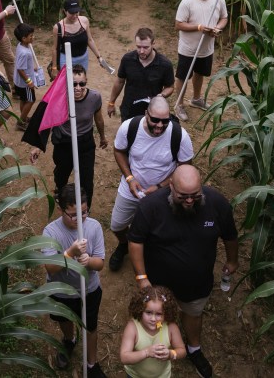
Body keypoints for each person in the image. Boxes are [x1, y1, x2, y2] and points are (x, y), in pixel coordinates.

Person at [128, 164, 239, 378]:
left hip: (197, 282)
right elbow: (135, 241)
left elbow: (230, 235)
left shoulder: (217, 203)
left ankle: (194, 348)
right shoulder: (150, 206)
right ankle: (157, 346)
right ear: (171, 187)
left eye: (195, 195)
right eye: (183, 196)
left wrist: (233, 260)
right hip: (158, 283)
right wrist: (142, 278)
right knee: (157, 316)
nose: (189, 201)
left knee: (193, 313)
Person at [109, 96, 193, 272]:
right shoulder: (130, 127)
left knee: (161, 230)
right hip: (131, 187)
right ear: (146, 114)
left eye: (165, 121)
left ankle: (150, 254)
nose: (160, 126)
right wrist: (130, 178)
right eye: (155, 120)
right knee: (117, 225)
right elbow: (119, 151)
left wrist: (161, 186)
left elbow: (185, 167)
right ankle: (124, 244)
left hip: (162, 193)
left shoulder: (179, 135)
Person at [42, 185, 107, 378]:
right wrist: (70, 254)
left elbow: (100, 263)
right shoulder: (50, 233)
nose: (80, 219)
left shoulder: (94, 227)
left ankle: (92, 363)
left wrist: (89, 261)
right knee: (64, 319)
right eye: (73, 215)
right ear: (60, 210)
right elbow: (50, 268)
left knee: (91, 326)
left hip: (89, 289)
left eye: (84, 212)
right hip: (61, 290)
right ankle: (69, 340)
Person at [30, 65, 108, 208]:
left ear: (86, 81)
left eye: (82, 84)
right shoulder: (59, 98)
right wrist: (38, 147)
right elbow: (48, 121)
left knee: (86, 180)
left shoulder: (94, 97)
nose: (78, 88)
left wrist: (102, 137)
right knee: (61, 175)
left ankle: (85, 210)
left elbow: (99, 119)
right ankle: (61, 195)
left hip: (85, 143)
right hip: (64, 143)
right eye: (73, 84)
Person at [172, 0, 228, 121]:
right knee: (183, 76)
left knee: (200, 73)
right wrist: (199, 27)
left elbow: (224, 18)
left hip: (206, 49)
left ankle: (196, 99)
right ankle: (179, 105)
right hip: (188, 49)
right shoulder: (187, 2)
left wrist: (217, 28)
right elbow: (178, 24)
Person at [107, 27, 174, 120]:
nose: (141, 51)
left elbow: (170, 87)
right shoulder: (127, 59)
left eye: (146, 47)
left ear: (153, 44)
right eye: (138, 47)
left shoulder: (165, 65)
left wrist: (161, 96)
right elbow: (120, 81)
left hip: (152, 112)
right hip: (129, 109)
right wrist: (111, 103)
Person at [120, 286, 185, 378]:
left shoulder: (171, 327)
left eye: (159, 314)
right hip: (135, 376)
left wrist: (171, 354)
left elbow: (182, 351)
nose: (153, 319)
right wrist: (146, 352)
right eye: (148, 312)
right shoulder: (133, 327)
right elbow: (124, 357)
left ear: (166, 313)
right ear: (140, 310)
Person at [50, 0, 104, 76]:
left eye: (77, 12)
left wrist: (99, 57)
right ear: (65, 11)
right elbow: (55, 49)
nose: (75, 15)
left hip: (83, 59)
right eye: (71, 13)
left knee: (80, 83)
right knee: (67, 85)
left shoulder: (84, 21)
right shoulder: (58, 27)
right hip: (66, 60)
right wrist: (54, 68)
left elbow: (90, 40)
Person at [13, 23, 37, 131]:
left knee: (24, 99)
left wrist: (32, 68)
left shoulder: (20, 46)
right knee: (31, 100)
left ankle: (23, 117)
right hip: (24, 83)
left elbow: (21, 65)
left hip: (18, 82)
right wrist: (29, 81)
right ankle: (21, 122)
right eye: (31, 36)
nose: (33, 37)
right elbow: (20, 69)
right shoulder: (25, 53)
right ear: (23, 38)